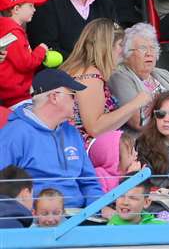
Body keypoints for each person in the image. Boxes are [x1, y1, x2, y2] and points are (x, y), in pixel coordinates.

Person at [0, 69, 99, 209]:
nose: (76, 101)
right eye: (73, 95)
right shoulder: (14, 134)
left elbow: (89, 183)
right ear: (54, 97)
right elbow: (3, 187)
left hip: (79, 218)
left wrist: (97, 210)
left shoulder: (72, 133)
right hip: (37, 221)